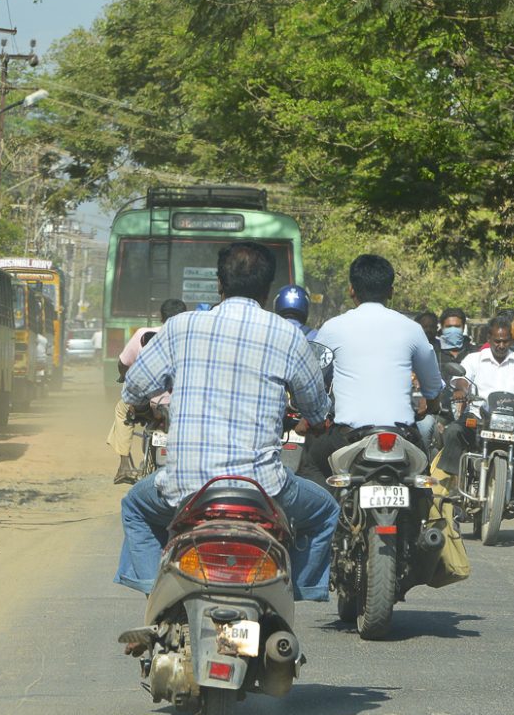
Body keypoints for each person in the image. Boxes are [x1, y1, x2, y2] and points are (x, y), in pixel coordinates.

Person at [115, 242, 338, 601]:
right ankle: (295, 594)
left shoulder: (181, 327)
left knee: (134, 506)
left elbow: (135, 387)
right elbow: (315, 408)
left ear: (219, 285)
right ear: (267, 291)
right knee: (327, 509)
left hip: (186, 485)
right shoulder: (289, 336)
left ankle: (152, 596)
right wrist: (316, 417)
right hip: (264, 488)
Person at [299, 255, 443, 478]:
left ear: (351, 290)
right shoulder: (412, 329)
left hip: (347, 437)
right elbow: (433, 385)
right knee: (421, 479)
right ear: (391, 292)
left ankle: (327, 514)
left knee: (312, 464)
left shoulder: (332, 328)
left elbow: (312, 378)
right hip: (401, 435)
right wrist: (432, 403)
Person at [443, 317, 514, 494]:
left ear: (512, 339)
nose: (501, 345)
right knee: (453, 431)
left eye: (505, 341)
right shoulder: (474, 359)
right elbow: (461, 379)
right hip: (479, 416)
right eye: (497, 341)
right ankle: (454, 483)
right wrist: (461, 390)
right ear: (489, 338)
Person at [106, 298, 188, 484]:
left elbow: (124, 363)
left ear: (161, 317)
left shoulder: (145, 334)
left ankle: (124, 464)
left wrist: (124, 376)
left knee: (122, 409)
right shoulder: (192, 337)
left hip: (149, 406)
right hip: (183, 405)